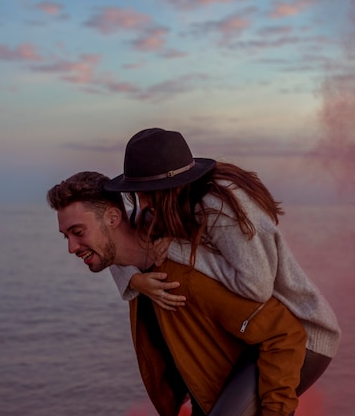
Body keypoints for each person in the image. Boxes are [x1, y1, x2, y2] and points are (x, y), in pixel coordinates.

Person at [104, 128, 341, 397]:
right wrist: (134, 280)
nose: (141, 202)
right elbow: (121, 244)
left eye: (145, 191)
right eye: (136, 191)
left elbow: (255, 286)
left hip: (301, 336)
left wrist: (180, 249)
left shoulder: (218, 205)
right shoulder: (169, 207)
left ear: (168, 188)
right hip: (248, 337)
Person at [47, 171, 307, 416]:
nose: (71, 247)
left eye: (78, 232)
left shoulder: (183, 277)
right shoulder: (135, 272)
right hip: (202, 401)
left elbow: (285, 333)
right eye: (65, 236)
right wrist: (134, 280)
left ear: (114, 219)